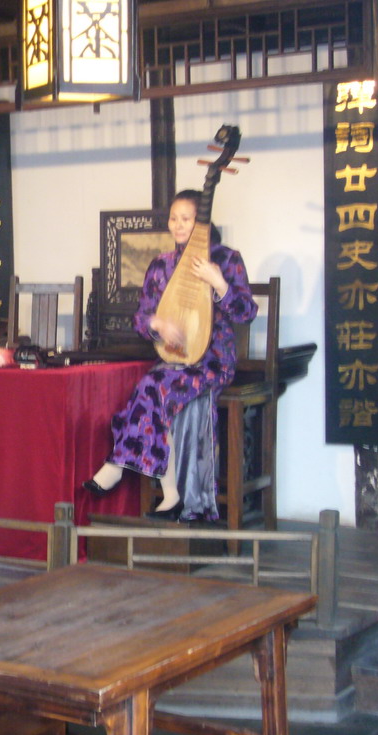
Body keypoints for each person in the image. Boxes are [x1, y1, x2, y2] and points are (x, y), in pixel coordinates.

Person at [83, 189, 258, 522]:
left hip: (213, 362)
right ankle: (171, 494)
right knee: (154, 385)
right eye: (174, 218)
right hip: (175, 362)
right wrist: (157, 323)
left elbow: (246, 313)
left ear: (202, 224)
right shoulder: (161, 264)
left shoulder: (225, 259)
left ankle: (122, 467)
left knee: (152, 386)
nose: (178, 225)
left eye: (187, 219)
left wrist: (219, 284)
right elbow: (141, 317)